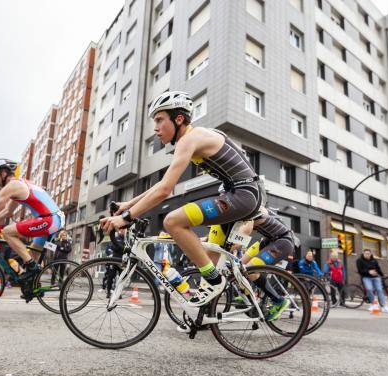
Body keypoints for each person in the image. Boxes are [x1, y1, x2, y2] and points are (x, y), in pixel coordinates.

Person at [99, 91, 266, 310]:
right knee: (208, 256)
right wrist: (128, 205)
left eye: (159, 120)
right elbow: (161, 185)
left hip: (243, 196)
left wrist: (126, 218)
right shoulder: (194, 137)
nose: (156, 128)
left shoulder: (190, 139)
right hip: (239, 194)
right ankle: (206, 314)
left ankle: (216, 282)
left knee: (173, 221)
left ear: (178, 119)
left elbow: (165, 190)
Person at [0, 159, 64, 300]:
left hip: (49, 220)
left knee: (8, 232)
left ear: (3, 173)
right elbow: (7, 212)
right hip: (52, 220)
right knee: (32, 254)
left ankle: (33, 267)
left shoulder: (11, 186)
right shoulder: (18, 184)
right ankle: (33, 288)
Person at [356, 249, 388, 313]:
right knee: (369, 289)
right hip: (366, 277)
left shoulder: (374, 260)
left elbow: (378, 268)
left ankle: (384, 306)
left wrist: (382, 275)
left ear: (370, 254)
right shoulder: (359, 260)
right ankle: (373, 304)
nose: (367, 255)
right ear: (363, 254)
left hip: (375, 277)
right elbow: (360, 270)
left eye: (368, 253)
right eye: (366, 253)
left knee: (379, 290)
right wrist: (369, 272)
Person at [102, 226, 126, 297]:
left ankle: (119, 293)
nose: (122, 231)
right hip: (114, 261)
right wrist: (121, 248)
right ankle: (108, 292)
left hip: (122, 261)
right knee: (111, 277)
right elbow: (113, 247)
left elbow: (126, 250)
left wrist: (120, 248)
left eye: (123, 230)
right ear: (119, 231)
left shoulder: (126, 240)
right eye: (121, 230)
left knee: (121, 278)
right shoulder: (115, 238)